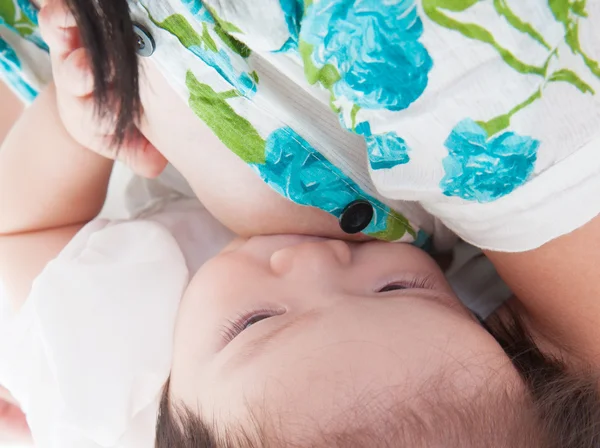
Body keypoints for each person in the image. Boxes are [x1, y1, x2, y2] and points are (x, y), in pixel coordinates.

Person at [2, 0, 600, 446]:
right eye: (397, 289)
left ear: (168, 413)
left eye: (257, 321)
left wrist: (72, 125)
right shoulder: (464, 361)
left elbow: (19, 235)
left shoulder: (110, 375)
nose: (314, 262)